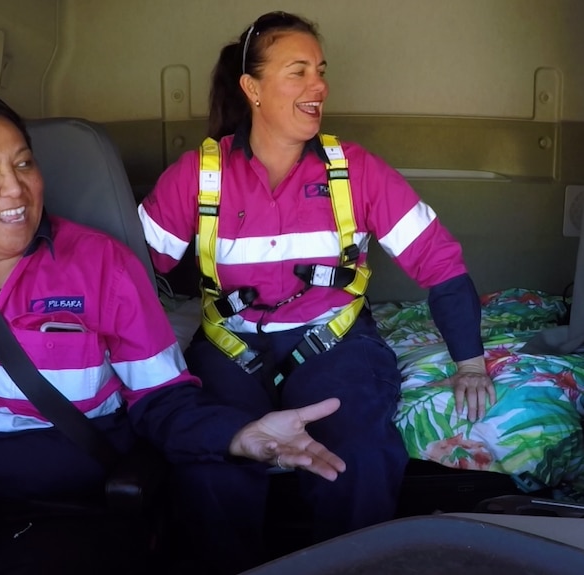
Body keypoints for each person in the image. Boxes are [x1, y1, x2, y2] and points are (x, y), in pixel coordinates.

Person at [0, 97, 346, 575]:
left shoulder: (103, 267)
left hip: (53, 522)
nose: (16, 187)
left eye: (24, 164)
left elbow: (163, 400)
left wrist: (240, 435)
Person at [138, 9, 497, 569]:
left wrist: (471, 363)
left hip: (336, 341)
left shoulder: (353, 171)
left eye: (321, 71)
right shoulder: (197, 175)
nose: (319, 86)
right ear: (252, 88)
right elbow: (129, 280)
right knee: (212, 463)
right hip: (230, 345)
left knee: (356, 457)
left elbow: (441, 262)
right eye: (298, 71)